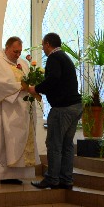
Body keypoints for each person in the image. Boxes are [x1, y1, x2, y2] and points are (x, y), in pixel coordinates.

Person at [0, 36, 40, 185]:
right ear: (7, 48)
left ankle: (12, 175)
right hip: (2, 110)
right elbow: (0, 85)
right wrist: (22, 86)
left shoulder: (23, 64)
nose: (18, 55)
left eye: (20, 51)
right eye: (15, 51)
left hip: (21, 111)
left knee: (16, 143)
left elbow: (28, 82)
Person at [29, 32, 82, 190]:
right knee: (67, 145)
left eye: (43, 45)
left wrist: (36, 88)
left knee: (54, 144)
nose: (43, 49)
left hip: (62, 109)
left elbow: (53, 79)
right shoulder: (65, 57)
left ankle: (52, 179)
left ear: (47, 44)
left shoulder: (54, 57)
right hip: (75, 106)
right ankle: (66, 179)